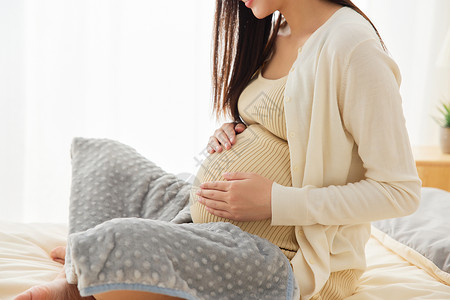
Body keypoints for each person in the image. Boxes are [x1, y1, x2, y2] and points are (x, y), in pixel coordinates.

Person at [15, 0, 421, 299]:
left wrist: (276, 202)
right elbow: (284, 125)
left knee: (120, 238)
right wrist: (231, 133)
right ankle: (98, 253)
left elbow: (399, 192)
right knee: (102, 157)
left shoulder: (353, 48)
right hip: (201, 221)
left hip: (277, 254)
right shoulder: (275, 27)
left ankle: (80, 280)